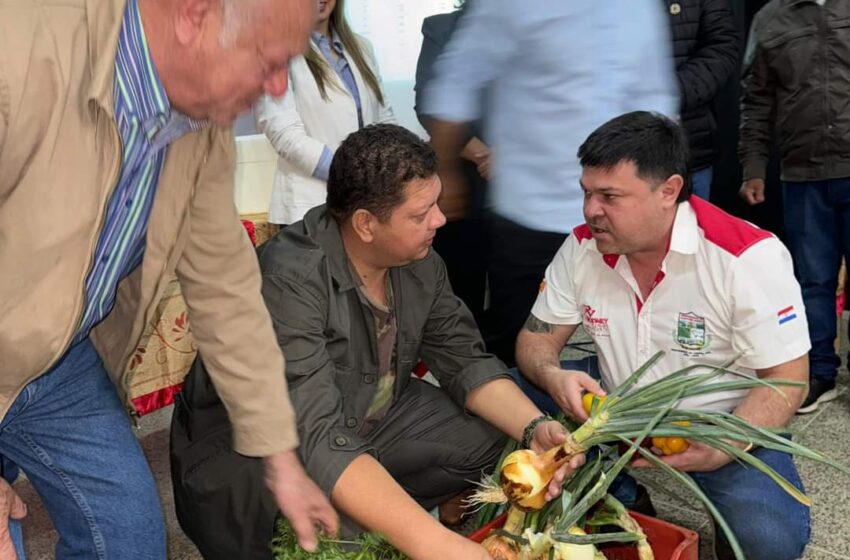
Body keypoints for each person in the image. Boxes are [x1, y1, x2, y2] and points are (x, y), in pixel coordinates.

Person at [0, 0, 337, 557]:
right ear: (193, 14)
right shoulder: (20, 48)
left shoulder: (200, 120)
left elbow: (224, 287)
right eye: (267, 59)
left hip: (61, 359)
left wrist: (280, 458)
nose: (277, 87)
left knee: (129, 539)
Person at [173, 124, 586, 559]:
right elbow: (315, 436)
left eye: (437, 203)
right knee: (336, 540)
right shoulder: (288, 281)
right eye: (420, 213)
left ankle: (386, 511)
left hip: (367, 416)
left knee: (499, 438)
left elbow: (466, 361)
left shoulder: (417, 260)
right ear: (366, 224)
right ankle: (373, 520)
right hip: (256, 460)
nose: (440, 220)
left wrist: (536, 429)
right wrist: (440, 548)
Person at [516, 112, 811, 560]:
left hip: (721, 423)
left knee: (766, 542)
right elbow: (535, 341)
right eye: (587, 193)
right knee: (506, 389)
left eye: (609, 196)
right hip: (613, 411)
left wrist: (724, 447)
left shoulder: (744, 256)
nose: (590, 211)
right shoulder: (582, 247)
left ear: (668, 191)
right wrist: (553, 376)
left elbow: (789, 378)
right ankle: (621, 491)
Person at [422, 0, 678, 368]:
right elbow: (457, 80)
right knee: (518, 343)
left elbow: (657, 101)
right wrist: (445, 169)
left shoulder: (637, 7)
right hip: (534, 211)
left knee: (641, 338)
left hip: (624, 210)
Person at [738, 0, 850, 414]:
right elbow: (756, 101)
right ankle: (819, 373)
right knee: (812, 281)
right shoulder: (770, 19)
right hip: (802, 176)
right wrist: (753, 166)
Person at [255, 0, 395, 227]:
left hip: (367, 203)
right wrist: (348, 175)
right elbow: (284, 134)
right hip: (309, 210)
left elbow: (384, 118)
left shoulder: (362, 47)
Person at [414, 0, 491, 327]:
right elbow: (430, 106)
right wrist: (483, 154)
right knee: (462, 298)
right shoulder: (441, 28)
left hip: (525, 185)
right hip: (464, 185)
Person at [663, 0, 740, 200]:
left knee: (687, 229)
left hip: (688, 147)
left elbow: (722, 45)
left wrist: (669, 93)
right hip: (612, 151)